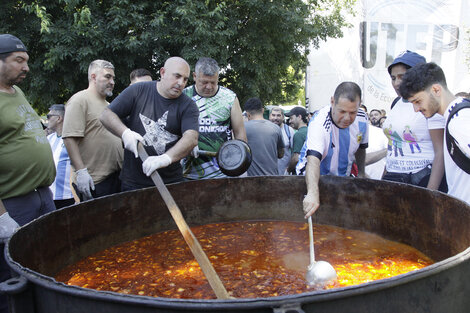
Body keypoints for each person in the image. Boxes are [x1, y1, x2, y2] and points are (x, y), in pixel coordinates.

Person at [0, 34, 56, 313]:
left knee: (46, 259)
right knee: (14, 275)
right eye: (18, 60)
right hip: (13, 202)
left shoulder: (16, 92)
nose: (26, 67)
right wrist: (1, 216)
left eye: (27, 61)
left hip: (41, 195)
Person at [100, 57, 199, 190]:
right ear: (163, 72)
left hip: (170, 183)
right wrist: (125, 133)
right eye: (177, 76)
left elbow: (191, 138)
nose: (181, 83)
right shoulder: (138, 91)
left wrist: (166, 158)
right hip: (133, 183)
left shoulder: (188, 105)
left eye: (185, 79)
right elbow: (106, 115)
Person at [399, 62, 470, 204]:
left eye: (418, 101)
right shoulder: (456, 116)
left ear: (436, 90)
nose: (416, 109)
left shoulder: (459, 121)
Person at [301, 82, 368, 217]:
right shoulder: (319, 122)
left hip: (342, 179)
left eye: (352, 112)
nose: (347, 118)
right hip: (312, 179)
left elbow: (361, 148)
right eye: (342, 111)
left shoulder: (362, 118)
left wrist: (361, 172)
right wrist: (313, 193)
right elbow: (313, 161)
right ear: (333, 101)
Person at [382, 51, 446, 191]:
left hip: (421, 179)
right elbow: (392, 145)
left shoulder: (430, 105)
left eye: (402, 77)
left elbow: (440, 152)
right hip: (394, 179)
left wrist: (430, 194)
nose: (396, 83)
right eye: (393, 78)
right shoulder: (396, 103)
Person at [62, 60, 123, 201]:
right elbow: (69, 138)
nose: (112, 82)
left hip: (116, 178)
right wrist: (81, 171)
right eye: (107, 77)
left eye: (113, 78)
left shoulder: (109, 105)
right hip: (95, 182)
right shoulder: (79, 100)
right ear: (93, 77)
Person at [181, 57, 247, 180]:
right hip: (189, 173)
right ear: (195, 76)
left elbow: (240, 135)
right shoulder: (184, 96)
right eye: (204, 82)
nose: (209, 87)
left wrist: (239, 163)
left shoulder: (229, 98)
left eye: (213, 82)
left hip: (222, 172)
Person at [244, 98, 284, 176]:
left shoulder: (243, 129)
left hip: (251, 180)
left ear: (248, 114)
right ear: (262, 110)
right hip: (273, 178)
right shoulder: (276, 128)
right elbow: (281, 154)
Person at [46, 104, 75, 208]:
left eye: (49, 116)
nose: (47, 119)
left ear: (59, 118)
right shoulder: (49, 139)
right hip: (50, 196)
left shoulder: (72, 139)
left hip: (68, 196)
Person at [269, 106, 295, 175]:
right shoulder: (264, 130)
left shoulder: (289, 131)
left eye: (278, 115)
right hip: (268, 173)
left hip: (284, 174)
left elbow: (294, 153)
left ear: (283, 117)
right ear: (269, 117)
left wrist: (289, 169)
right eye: (273, 115)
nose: (275, 118)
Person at [286, 107, 309, 174]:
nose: (290, 121)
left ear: (299, 117)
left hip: (300, 175)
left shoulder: (298, 135)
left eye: (291, 118)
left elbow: (296, 158)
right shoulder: (310, 131)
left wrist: (288, 170)